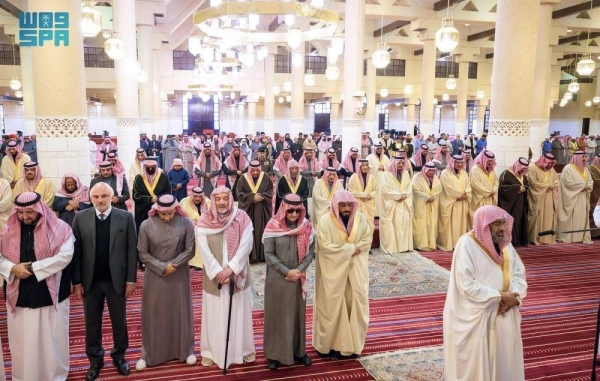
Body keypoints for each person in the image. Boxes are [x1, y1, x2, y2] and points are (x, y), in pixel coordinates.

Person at [443, 205, 527, 381]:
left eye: (504, 223)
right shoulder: (467, 244)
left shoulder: (506, 246)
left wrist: (514, 297)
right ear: (484, 225)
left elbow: (519, 274)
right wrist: (499, 296)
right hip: (479, 316)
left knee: (504, 362)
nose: (503, 228)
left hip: (505, 312)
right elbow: (465, 284)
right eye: (497, 224)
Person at [0, 191, 74, 381]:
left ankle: (54, 376)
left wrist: (35, 267)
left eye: (29, 212)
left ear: (39, 209)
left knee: (51, 339)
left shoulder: (61, 228)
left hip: (49, 292)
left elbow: (65, 256)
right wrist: (12, 268)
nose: (25, 217)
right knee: (23, 339)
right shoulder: (8, 230)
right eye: (21, 213)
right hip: (20, 293)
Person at [72, 182, 137, 380]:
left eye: (104, 196)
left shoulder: (125, 217)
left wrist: (131, 280)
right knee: (91, 324)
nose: (100, 200)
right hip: (89, 283)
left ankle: (119, 356)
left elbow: (131, 250)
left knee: (119, 322)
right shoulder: (80, 218)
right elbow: (76, 253)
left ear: (111, 197)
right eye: (96, 197)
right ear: (91, 199)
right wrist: (76, 282)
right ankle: (95, 360)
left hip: (116, 281)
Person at [196, 187, 256, 369]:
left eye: (225, 198)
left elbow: (247, 244)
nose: (222, 202)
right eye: (218, 199)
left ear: (230, 199)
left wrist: (231, 269)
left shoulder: (242, 217)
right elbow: (203, 249)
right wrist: (217, 272)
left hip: (237, 274)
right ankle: (210, 351)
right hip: (214, 277)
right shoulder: (204, 220)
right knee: (213, 314)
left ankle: (243, 349)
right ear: (213, 201)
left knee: (239, 311)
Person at [136, 194, 196, 370]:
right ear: (157, 211)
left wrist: (173, 265)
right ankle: (149, 353)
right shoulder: (146, 225)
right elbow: (142, 253)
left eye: (170, 213)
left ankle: (185, 351)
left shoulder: (186, 223)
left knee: (180, 312)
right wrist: (162, 266)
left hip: (179, 275)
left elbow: (190, 250)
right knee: (154, 312)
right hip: (155, 276)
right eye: (163, 214)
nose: (167, 217)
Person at [313, 190, 372, 359]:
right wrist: (351, 249)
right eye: (343, 205)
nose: (346, 209)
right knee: (332, 308)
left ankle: (353, 346)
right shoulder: (325, 222)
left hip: (356, 272)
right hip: (333, 273)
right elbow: (325, 246)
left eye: (349, 205)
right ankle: (330, 346)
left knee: (355, 305)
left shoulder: (360, 219)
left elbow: (367, 240)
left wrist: (352, 249)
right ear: (335, 205)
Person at [262, 193, 315, 370]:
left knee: (297, 315)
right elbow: (268, 254)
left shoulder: (307, 227)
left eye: (297, 210)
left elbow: (310, 253)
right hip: (278, 279)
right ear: (283, 209)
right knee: (277, 315)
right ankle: (274, 355)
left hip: (297, 279)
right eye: (290, 210)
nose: (293, 214)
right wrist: (287, 271)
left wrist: (298, 271)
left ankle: (299, 351)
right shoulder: (272, 226)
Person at [237, 160, 274, 263]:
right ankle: (250, 257)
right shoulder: (243, 178)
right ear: (250, 170)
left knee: (262, 231)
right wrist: (252, 197)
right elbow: (240, 193)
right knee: (248, 232)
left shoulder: (266, 177)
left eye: (257, 170)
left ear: (259, 169)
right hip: (248, 211)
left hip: (262, 210)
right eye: (252, 170)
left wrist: (261, 196)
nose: (255, 173)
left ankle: (262, 256)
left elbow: (270, 191)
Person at [379, 154, 413, 254]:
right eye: (399, 163)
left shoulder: (406, 174)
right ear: (394, 163)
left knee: (403, 225)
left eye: (403, 163)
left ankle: (402, 247)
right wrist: (398, 196)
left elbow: (409, 188)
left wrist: (404, 196)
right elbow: (385, 190)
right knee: (392, 227)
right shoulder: (386, 175)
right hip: (392, 205)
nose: (401, 165)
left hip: (403, 204)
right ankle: (393, 248)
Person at [556, 151, 593, 243]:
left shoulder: (586, 169)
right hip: (572, 197)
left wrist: (588, 186)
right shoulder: (568, 168)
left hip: (583, 197)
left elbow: (590, 181)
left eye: (585, 157)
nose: (584, 159)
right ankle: (570, 237)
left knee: (581, 216)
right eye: (582, 157)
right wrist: (583, 186)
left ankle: (580, 237)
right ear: (577, 157)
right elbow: (568, 184)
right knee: (574, 216)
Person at [438, 155, 472, 251]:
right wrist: (459, 195)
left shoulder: (464, 173)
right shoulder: (445, 173)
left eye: (461, 162)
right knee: (450, 225)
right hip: (451, 203)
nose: (459, 164)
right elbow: (448, 188)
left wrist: (466, 194)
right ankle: (449, 244)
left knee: (461, 225)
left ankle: (459, 244)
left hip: (462, 204)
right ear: (452, 162)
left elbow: (468, 186)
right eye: (457, 162)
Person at [133, 157, 172, 237]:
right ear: (144, 167)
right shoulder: (139, 178)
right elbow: (135, 196)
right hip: (143, 212)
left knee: (159, 235)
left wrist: (158, 200)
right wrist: (150, 199)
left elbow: (168, 195)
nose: (150, 169)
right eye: (148, 167)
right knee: (143, 235)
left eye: (152, 167)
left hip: (159, 211)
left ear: (156, 167)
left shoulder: (164, 177)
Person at [527, 153, 559, 245]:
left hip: (549, 197)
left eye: (551, 163)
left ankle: (546, 238)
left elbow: (556, 180)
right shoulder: (533, 167)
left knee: (548, 216)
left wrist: (553, 185)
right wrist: (547, 186)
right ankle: (535, 238)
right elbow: (532, 182)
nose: (549, 165)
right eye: (548, 163)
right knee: (538, 216)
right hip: (537, 197)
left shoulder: (551, 169)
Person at [498, 158, 530, 247]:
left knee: (520, 220)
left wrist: (524, 188)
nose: (524, 170)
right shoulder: (506, 174)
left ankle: (519, 240)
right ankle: (511, 241)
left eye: (525, 169)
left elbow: (527, 185)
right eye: (522, 168)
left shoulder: (523, 176)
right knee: (512, 220)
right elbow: (502, 188)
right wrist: (517, 188)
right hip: (511, 204)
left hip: (521, 202)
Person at [412, 162, 442, 251]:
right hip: (421, 205)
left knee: (432, 223)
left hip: (432, 204)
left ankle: (431, 244)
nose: (432, 172)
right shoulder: (417, 177)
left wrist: (433, 197)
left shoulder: (436, 178)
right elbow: (415, 190)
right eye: (430, 170)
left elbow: (439, 189)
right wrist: (427, 197)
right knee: (421, 224)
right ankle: (420, 245)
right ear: (425, 170)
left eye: (433, 171)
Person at [181, 187, 210, 270]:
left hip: (205, 226)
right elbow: (182, 216)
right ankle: (190, 262)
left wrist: (202, 222)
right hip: (188, 226)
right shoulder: (184, 201)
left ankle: (199, 263)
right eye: (196, 196)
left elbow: (212, 215)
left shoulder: (207, 202)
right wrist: (192, 222)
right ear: (192, 195)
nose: (198, 198)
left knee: (200, 234)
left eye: (200, 196)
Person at [347, 159, 377, 233]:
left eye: (367, 165)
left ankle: (368, 244)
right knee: (357, 225)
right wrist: (363, 195)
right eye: (363, 165)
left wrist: (370, 196)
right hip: (357, 205)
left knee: (369, 226)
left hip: (369, 205)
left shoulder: (372, 177)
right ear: (359, 166)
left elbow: (376, 190)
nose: (365, 167)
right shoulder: (353, 177)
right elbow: (350, 191)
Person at [469, 150, 499, 218]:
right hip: (479, 201)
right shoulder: (475, 169)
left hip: (490, 200)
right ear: (483, 159)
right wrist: (488, 192)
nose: (490, 162)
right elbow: (476, 185)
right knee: (479, 220)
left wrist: (493, 190)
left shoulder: (492, 170)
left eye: (491, 161)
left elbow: (496, 182)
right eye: (488, 160)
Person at [366, 144, 391, 216]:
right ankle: (374, 213)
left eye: (380, 148)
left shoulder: (386, 157)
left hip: (384, 181)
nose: (379, 150)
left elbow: (390, 167)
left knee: (382, 196)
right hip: (373, 181)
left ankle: (381, 213)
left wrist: (383, 167)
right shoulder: (369, 157)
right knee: (375, 196)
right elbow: (367, 168)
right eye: (378, 148)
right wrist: (377, 167)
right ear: (375, 149)